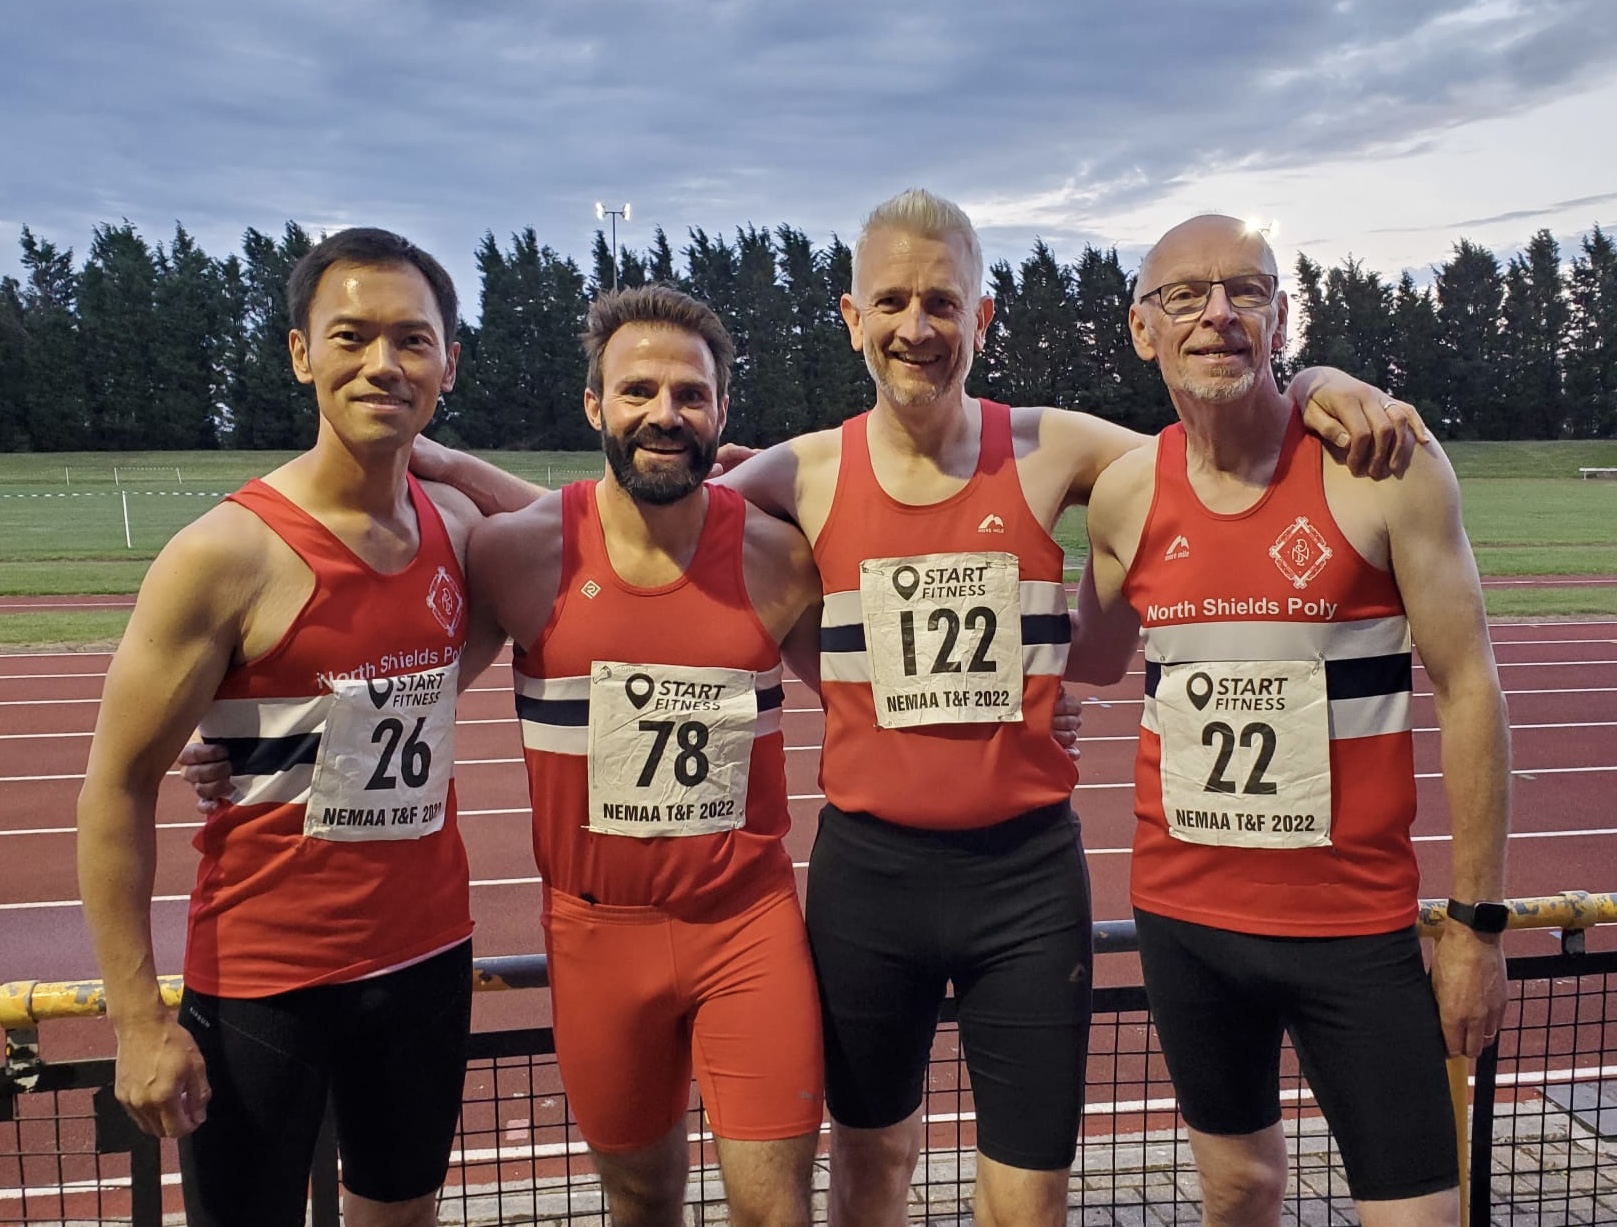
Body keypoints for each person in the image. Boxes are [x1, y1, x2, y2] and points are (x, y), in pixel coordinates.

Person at [403, 188, 1425, 1227]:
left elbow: (1215, 442)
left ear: (981, 319)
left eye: (943, 302)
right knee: (867, 1175)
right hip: (868, 881)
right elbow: (620, 513)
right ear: (852, 320)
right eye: (890, 300)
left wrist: (1317, 383)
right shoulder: (799, 473)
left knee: (1027, 1202)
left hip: (1026, 880)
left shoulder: (1053, 448)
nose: (916, 325)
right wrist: (436, 464)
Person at [1071, 214, 1509, 1227]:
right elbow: (1093, 654)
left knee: (1419, 1216)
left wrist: (1477, 926)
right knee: (1236, 1187)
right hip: (1184, 922)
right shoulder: (1126, 492)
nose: (1218, 313)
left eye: (1248, 290)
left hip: (1350, 929)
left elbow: (1471, 688)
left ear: (1281, 317)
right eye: (1185, 295)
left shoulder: (1385, 464)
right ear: (1143, 330)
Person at [76, 228, 502, 1227]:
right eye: (350, 335)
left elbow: (587, 543)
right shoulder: (223, 553)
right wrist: (138, 1021)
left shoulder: (462, 533)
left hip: (427, 959)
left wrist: (272, 734)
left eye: (412, 340)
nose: (382, 363)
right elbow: (111, 789)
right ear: (301, 353)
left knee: (402, 1216)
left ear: (447, 363)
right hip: (267, 975)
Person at [464, 285, 826, 1227]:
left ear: (720, 411)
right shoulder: (519, 553)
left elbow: (884, 689)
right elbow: (406, 679)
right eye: (637, 391)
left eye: (689, 394)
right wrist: (244, 753)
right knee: (640, 1199)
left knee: (775, 1209)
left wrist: (1041, 710)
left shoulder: (782, 559)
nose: (664, 414)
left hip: (745, 925)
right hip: (595, 935)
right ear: (595, 406)